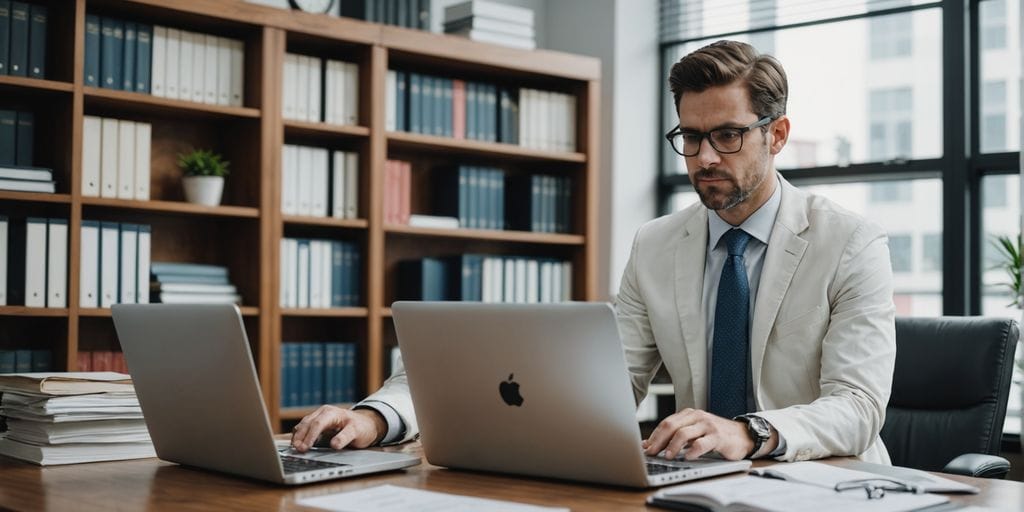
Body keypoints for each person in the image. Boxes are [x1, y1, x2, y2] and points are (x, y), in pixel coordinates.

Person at [292, 40, 896, 465]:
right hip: (703, 484)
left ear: (777, 135)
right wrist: (380, 417)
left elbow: (858, 407)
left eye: (728, 135)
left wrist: (748, 432)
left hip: (826, 482)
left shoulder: (849, 242)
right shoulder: (657, 245)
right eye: (690, 136)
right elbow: (590, 382)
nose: (705, 157)